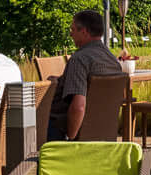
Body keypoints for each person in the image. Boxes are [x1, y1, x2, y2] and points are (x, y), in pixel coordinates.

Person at [48, 9, 122, 142]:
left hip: (65, 131)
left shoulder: (79, 59)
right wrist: (61, 80)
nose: (71, 34)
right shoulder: (113, 60)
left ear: (84, 32)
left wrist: (71, 138)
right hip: (103, 130)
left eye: (73, 29)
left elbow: (79, 106)